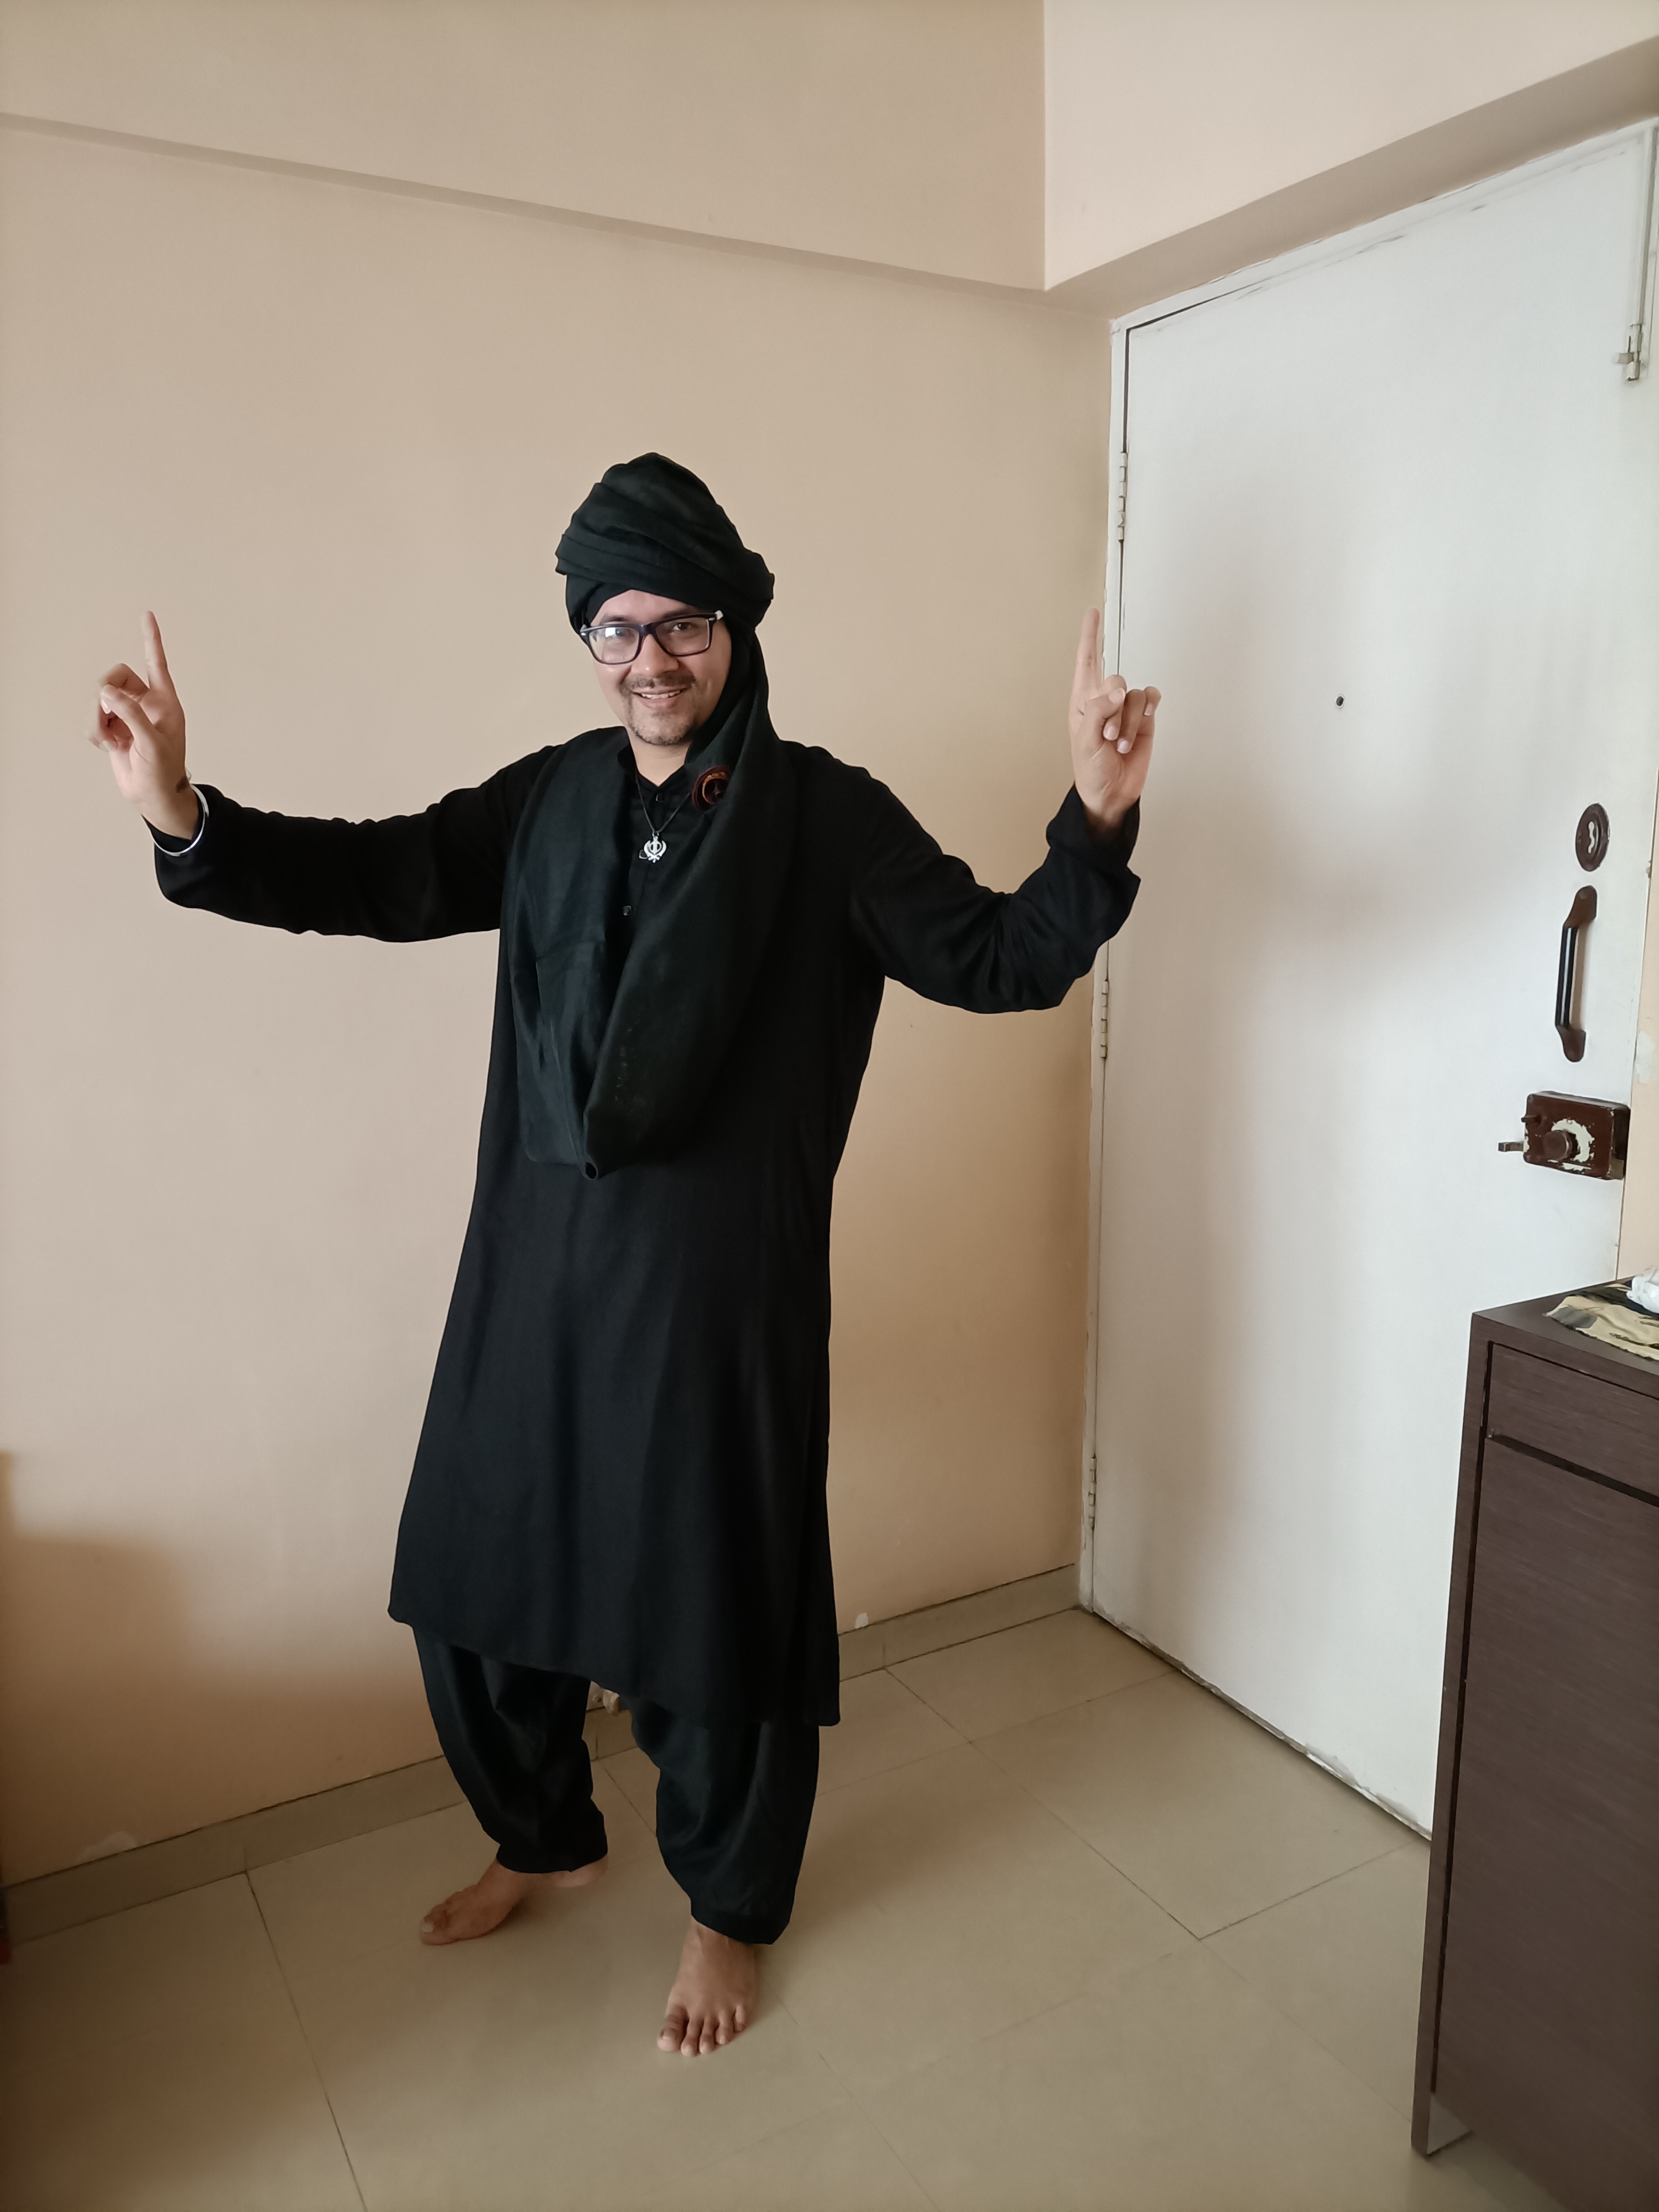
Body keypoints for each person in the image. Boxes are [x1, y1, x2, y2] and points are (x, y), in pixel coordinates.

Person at [92, 453, 1159, 2057]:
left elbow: (1000, 957)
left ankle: (728, 1907)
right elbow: (371, 874)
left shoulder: (826, 819)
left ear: (734, 630)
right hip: (534, 1264)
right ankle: (546, 1841)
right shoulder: (550, 800)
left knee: (710, 1607)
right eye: (616, 629)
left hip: (713, 1293)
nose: (649, 659)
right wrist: (181, 809)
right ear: (587, 638)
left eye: (682, 626)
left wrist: (1095, 816)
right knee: (475, 1574)